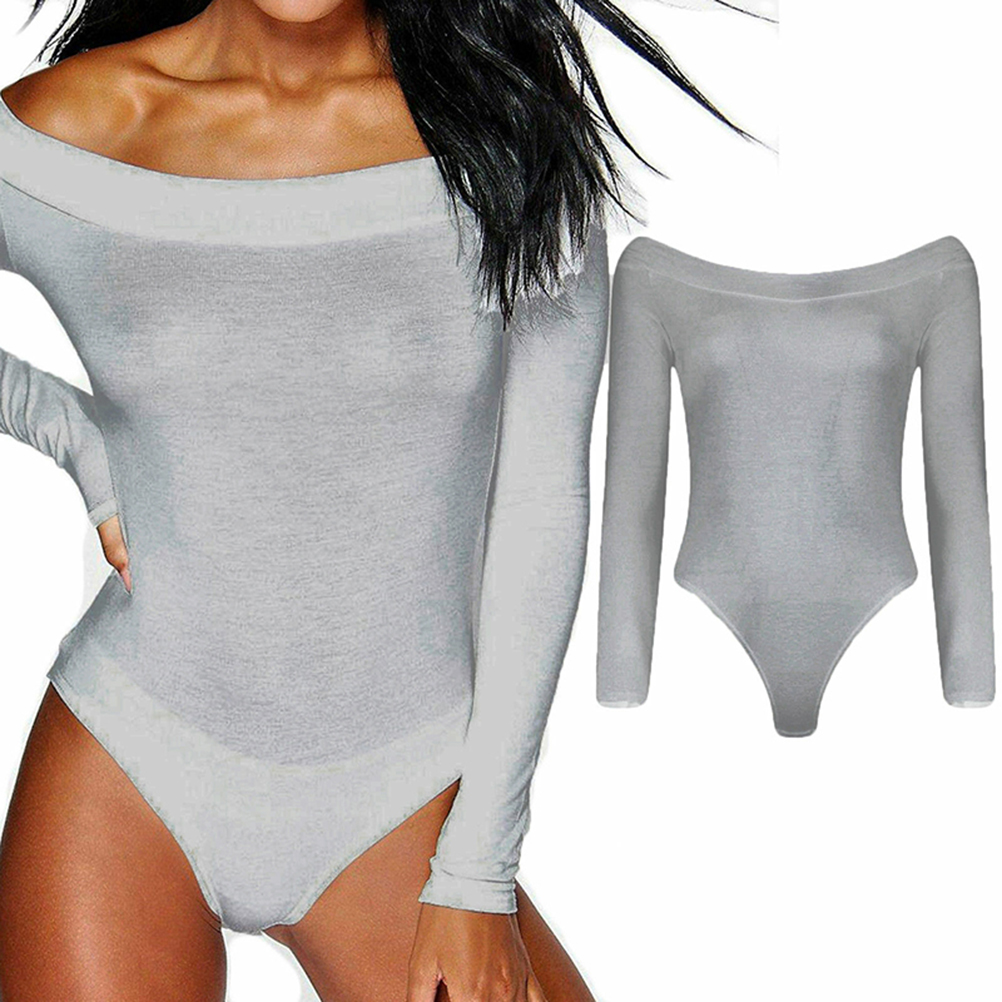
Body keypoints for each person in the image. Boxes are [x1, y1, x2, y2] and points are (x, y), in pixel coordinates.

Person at [0, 1, 748, 998]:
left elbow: (538, 505)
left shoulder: (508, 134)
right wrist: (71, 432)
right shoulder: (73, 131)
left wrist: (477, 872)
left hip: (404, 798)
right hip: (129, 757)